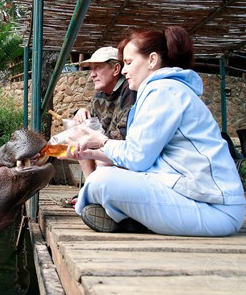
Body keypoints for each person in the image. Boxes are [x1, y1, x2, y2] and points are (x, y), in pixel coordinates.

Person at [62, 26, 245, 236]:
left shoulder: (163, 91)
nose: (123, 70)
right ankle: (130, 219)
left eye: (129, 62)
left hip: (214, 210)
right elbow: (146, 156)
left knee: (101, 182)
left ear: (152, 60)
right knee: (103, 176)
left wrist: (102, 142)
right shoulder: (165, 89)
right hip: (200, 200)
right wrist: (92, 153)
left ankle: (123, 216)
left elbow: (137, 158)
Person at [73, 47, 137, 179]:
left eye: (97, 67)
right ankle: (90, 185)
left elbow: (124, 134)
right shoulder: (99, 95)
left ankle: (98, 189)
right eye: (91, 69)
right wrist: (81, 112)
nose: (92, 74)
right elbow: (93, 123)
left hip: (126, 152)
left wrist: (95, 142)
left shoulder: (129, 90)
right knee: (78, 127)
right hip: (106, 144)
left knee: (100, 156)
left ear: (116, 69)